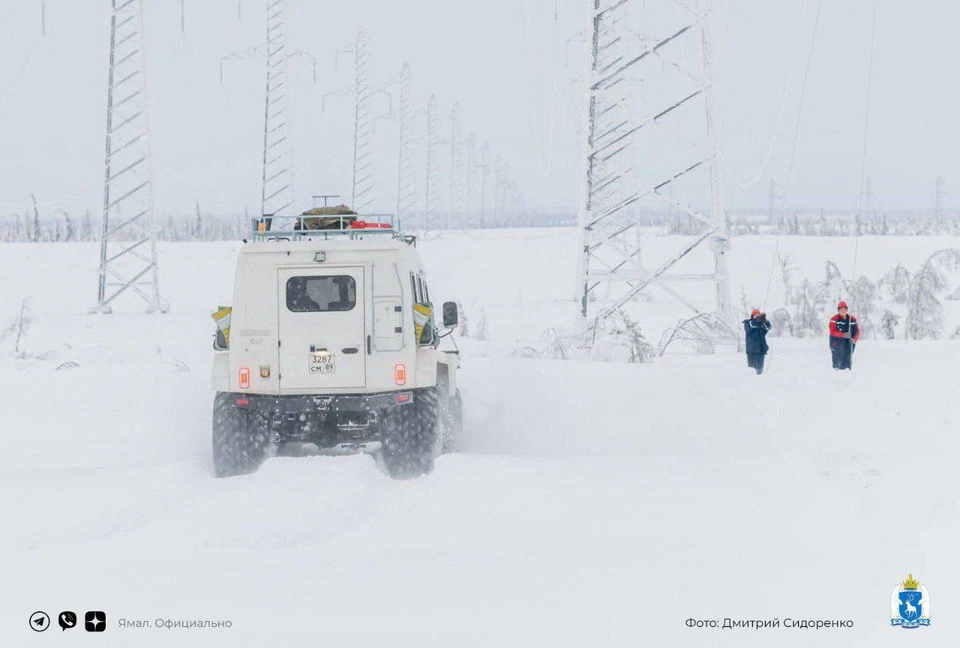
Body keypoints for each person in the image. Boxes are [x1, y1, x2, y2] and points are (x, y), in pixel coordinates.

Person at [829, 301, 860, 370]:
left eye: (844, 309)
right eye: (841, 309)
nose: (843, 311)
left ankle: (848, 376)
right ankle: (836, 375)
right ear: (838, 310)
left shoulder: (852, 319)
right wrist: (843, 335)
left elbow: (857, 331)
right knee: (838, 362)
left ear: (847, 310)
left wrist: (854, 339)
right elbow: (832, 331)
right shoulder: (834, 319)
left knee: (847, 362)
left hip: (848, 344)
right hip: (836, 344)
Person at [743, 308, 771, 375]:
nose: (757, 316)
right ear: (752, 316)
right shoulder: (747, 323)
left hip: (761, 352)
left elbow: (769, 327)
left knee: (760, 370)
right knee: (751, 371)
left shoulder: (761, 325)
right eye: (755, 315)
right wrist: (757, 320)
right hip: (752, 352)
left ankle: (760, 384)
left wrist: (765, 320)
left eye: (758, 315)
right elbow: (752, 325)